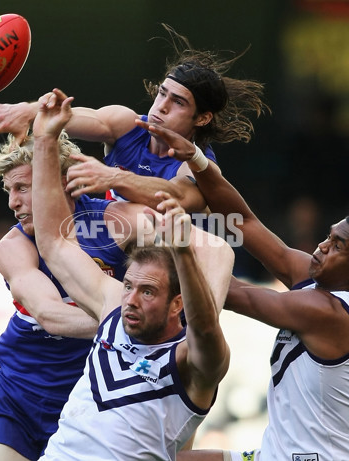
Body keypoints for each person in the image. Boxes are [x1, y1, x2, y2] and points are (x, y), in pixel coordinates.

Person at [135, 120, 349, 461]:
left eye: (337, 246)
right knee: (150, 456)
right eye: (328, 236)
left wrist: (170, 242)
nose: (322, 245)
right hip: (276, 454)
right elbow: (245, 223)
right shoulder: (322, 283)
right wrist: (198, 160)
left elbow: (233, 294)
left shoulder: (327, 312)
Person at [29, 88, 233, 460]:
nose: (131, 300)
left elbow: (206, 313)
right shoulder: (113, 312)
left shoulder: (193, 362)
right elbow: (55, 244)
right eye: (128, 285)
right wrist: (44, 139)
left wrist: (183, 252)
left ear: (177, 304)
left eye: (149, 292)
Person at [0, 24, 267, 213]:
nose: (160, 107)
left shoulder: (200, 167)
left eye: (177, 102)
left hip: (160, 268)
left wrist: (112, 177)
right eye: (162, 94)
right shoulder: (127, 124)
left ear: (202, 118)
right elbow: (74, 118)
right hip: (107, 250)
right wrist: (30, 111)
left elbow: (175, 196)